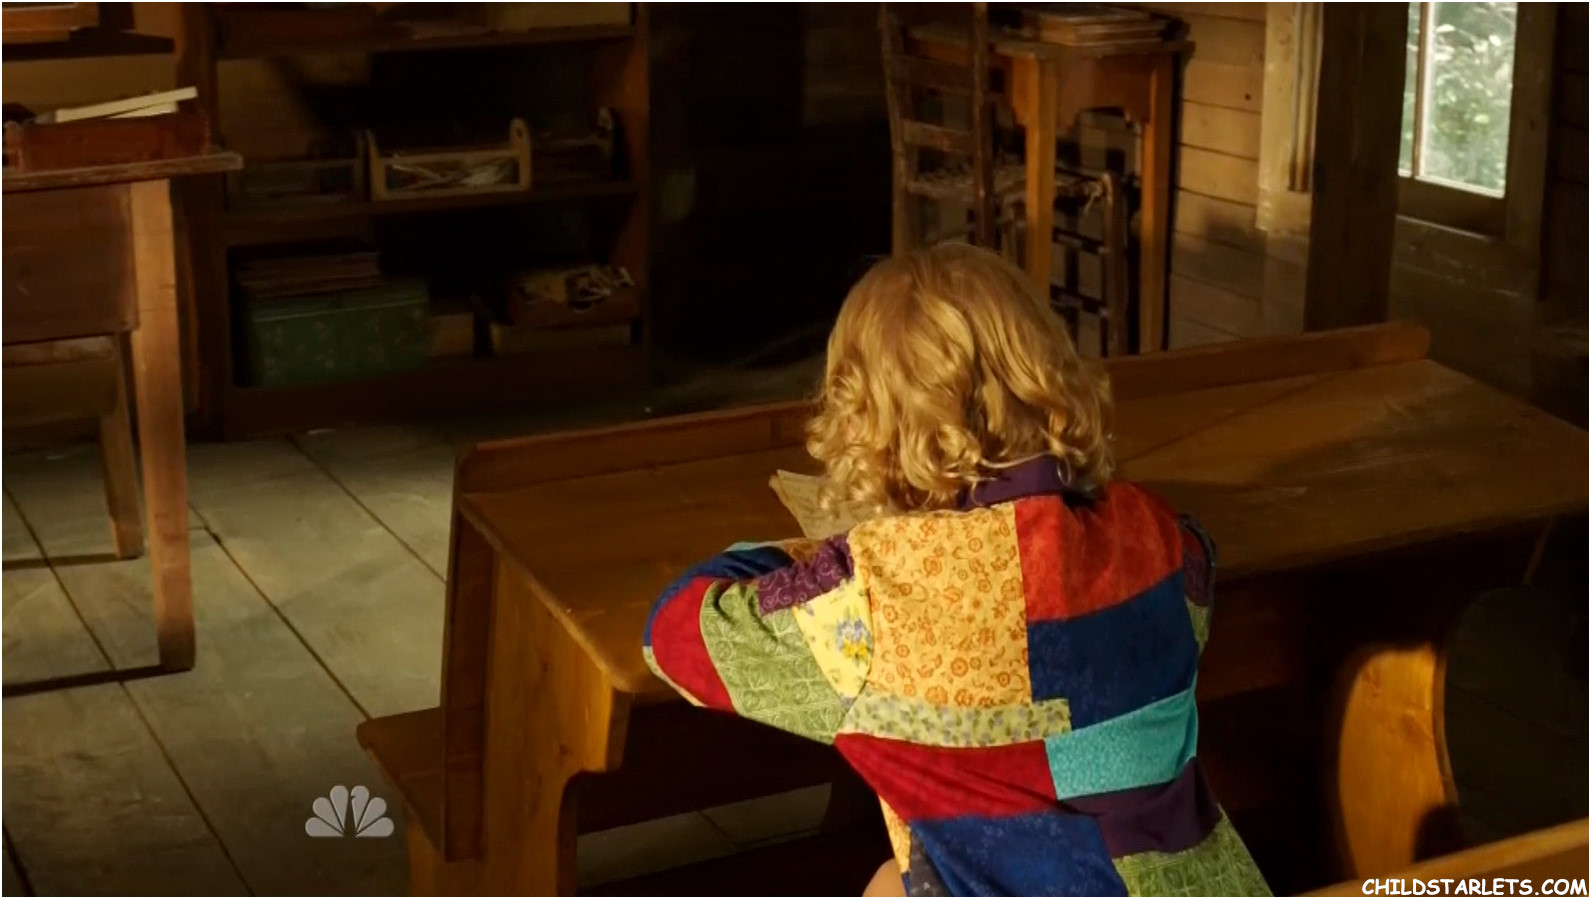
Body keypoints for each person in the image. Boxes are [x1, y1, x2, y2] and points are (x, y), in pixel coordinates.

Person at [643, 244, 1271, 896]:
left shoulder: (873, 598)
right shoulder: (1161, 540)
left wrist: (810, 559)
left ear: (865, 425)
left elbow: (674, 632)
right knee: (892, 882)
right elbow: (1189, 564)